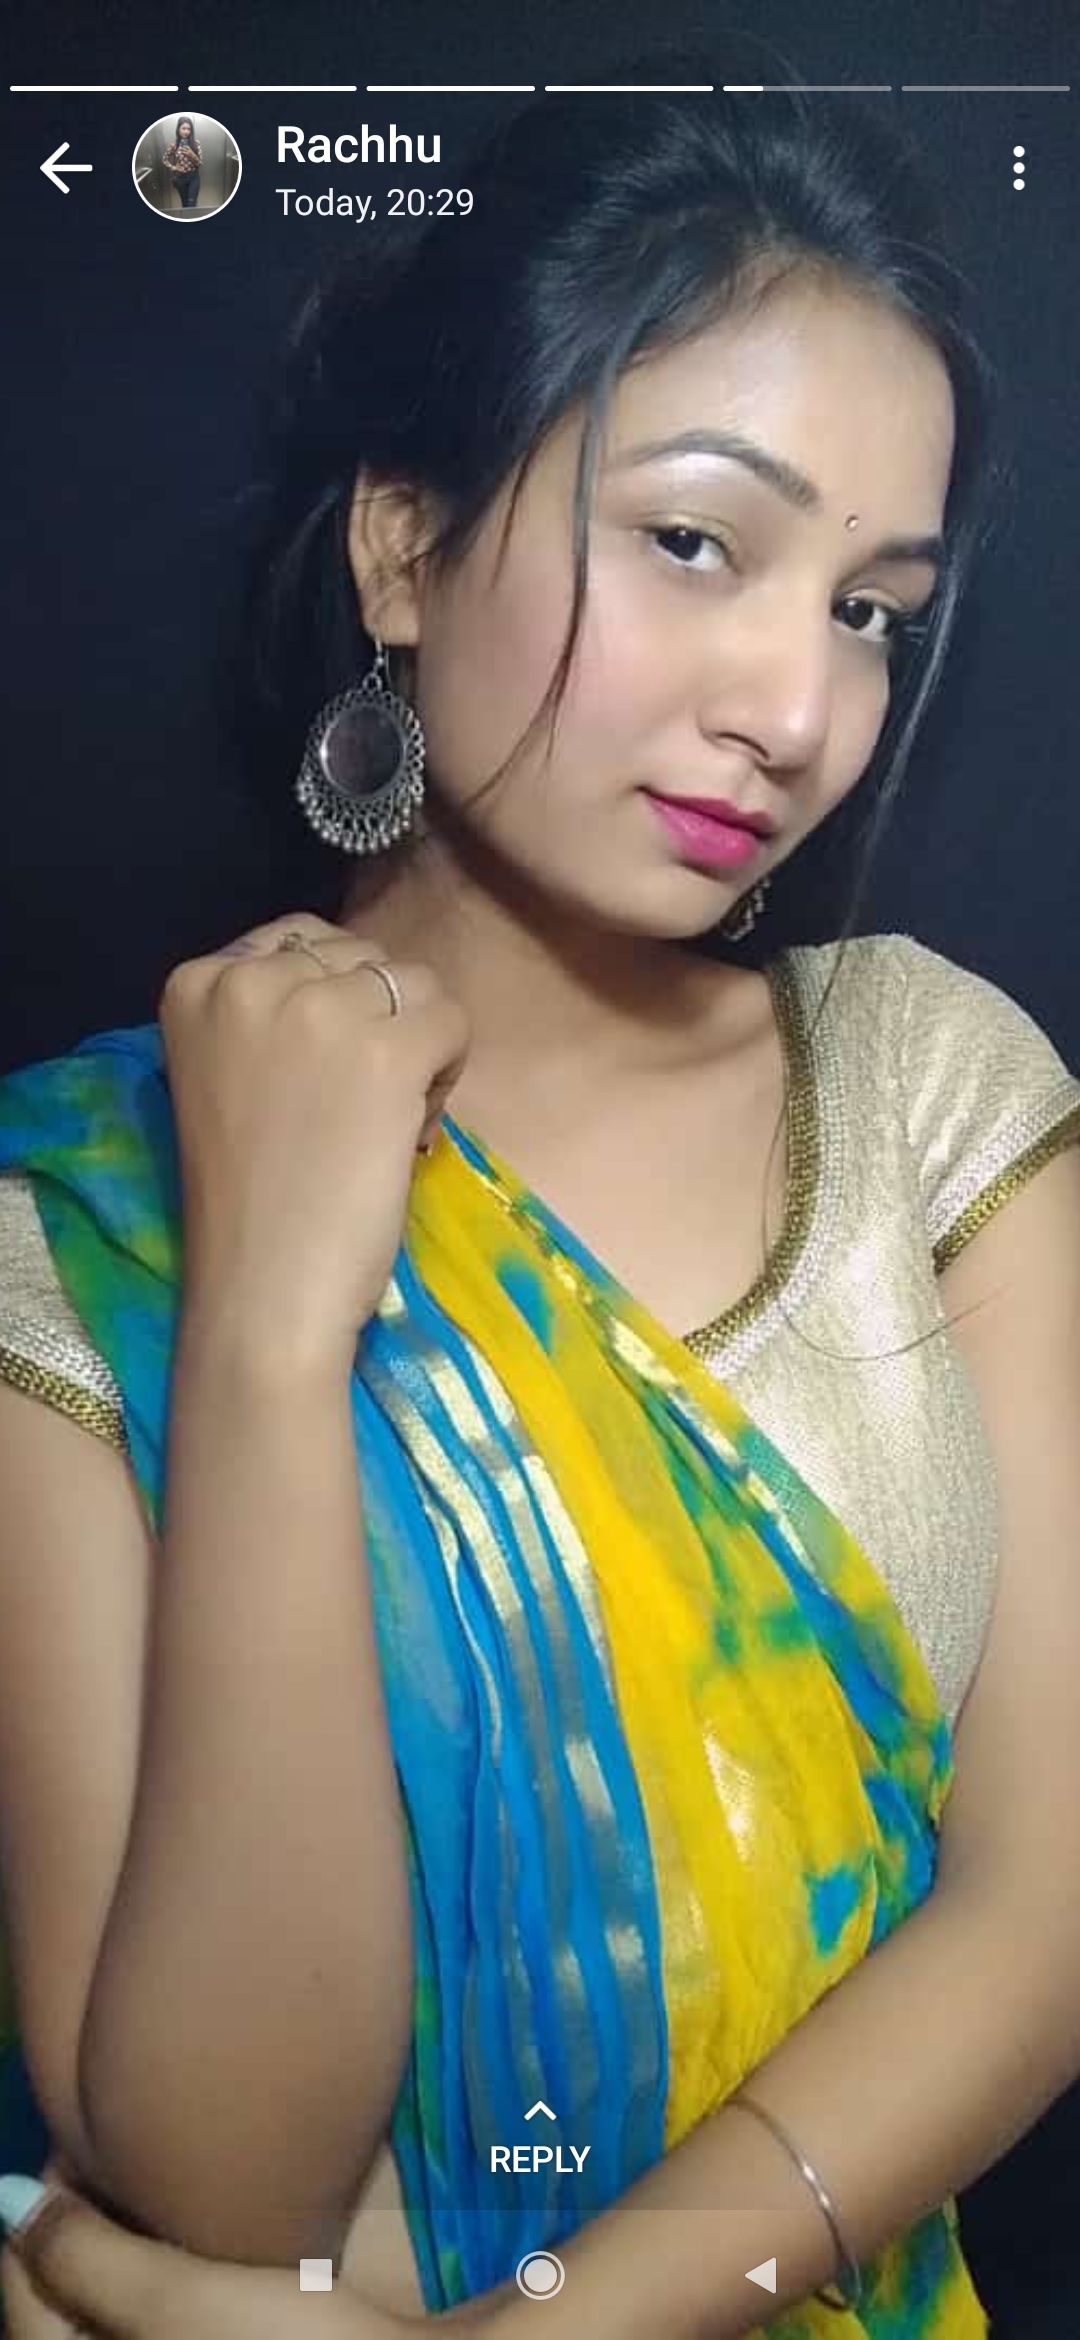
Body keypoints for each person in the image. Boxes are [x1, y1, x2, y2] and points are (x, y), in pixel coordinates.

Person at [1, 56, 1080, 2340]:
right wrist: (274, 1327)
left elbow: (1048, 1911)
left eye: (874, 610)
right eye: (694, 541)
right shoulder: (70, 1228)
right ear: (403, 544)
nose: (799, 706)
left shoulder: (923, 1091)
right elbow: (226, 2175)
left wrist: (551, 2331)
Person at [163, 116, 201, 209]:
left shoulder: (196, 144)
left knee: (191, 204)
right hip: (180, 178)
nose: (186, 131)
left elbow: (199, 163)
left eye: (189, 129)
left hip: (194, 178)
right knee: (185, 204)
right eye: (183, 128)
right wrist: (174, 168)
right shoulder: (174, 146)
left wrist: (193, 155)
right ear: (178, 129)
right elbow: (164, 160)